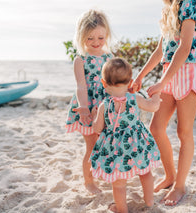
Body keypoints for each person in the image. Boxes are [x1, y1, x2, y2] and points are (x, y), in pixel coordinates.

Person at [130, 0, 196, 206]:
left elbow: (185, 46)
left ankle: (180, 186)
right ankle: (171, 176)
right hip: (169, 72)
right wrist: (140, 76)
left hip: (188, 71)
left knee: (184, 132)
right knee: (156, 127)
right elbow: (160, 50)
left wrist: (162, 82)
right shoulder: (167, 9)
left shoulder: (190, 3)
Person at [90, 58, 161, 213]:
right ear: (130, 82)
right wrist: (156, 94)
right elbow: (153, 107)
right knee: (145, 171)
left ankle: (122, 209)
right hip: (137, 144)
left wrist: (95, 115)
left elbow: (97, 129)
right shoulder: (135, 98)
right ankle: (149, 201)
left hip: (115, 150)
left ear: (104, 83)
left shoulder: (104, 105)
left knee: (119, 182)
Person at [65, 9, 113, 194]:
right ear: (82, 37)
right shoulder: (81, 59)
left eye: (100, 38)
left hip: (105, 108)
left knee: (106, 143)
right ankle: (88, 181)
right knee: (91, 145)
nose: (95, 43)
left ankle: (102, 172)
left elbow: (113, 84)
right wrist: (84, 107)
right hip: (87, 107)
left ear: (106, 35)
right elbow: (81, 86)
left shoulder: (110, 58)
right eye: (90, 38)